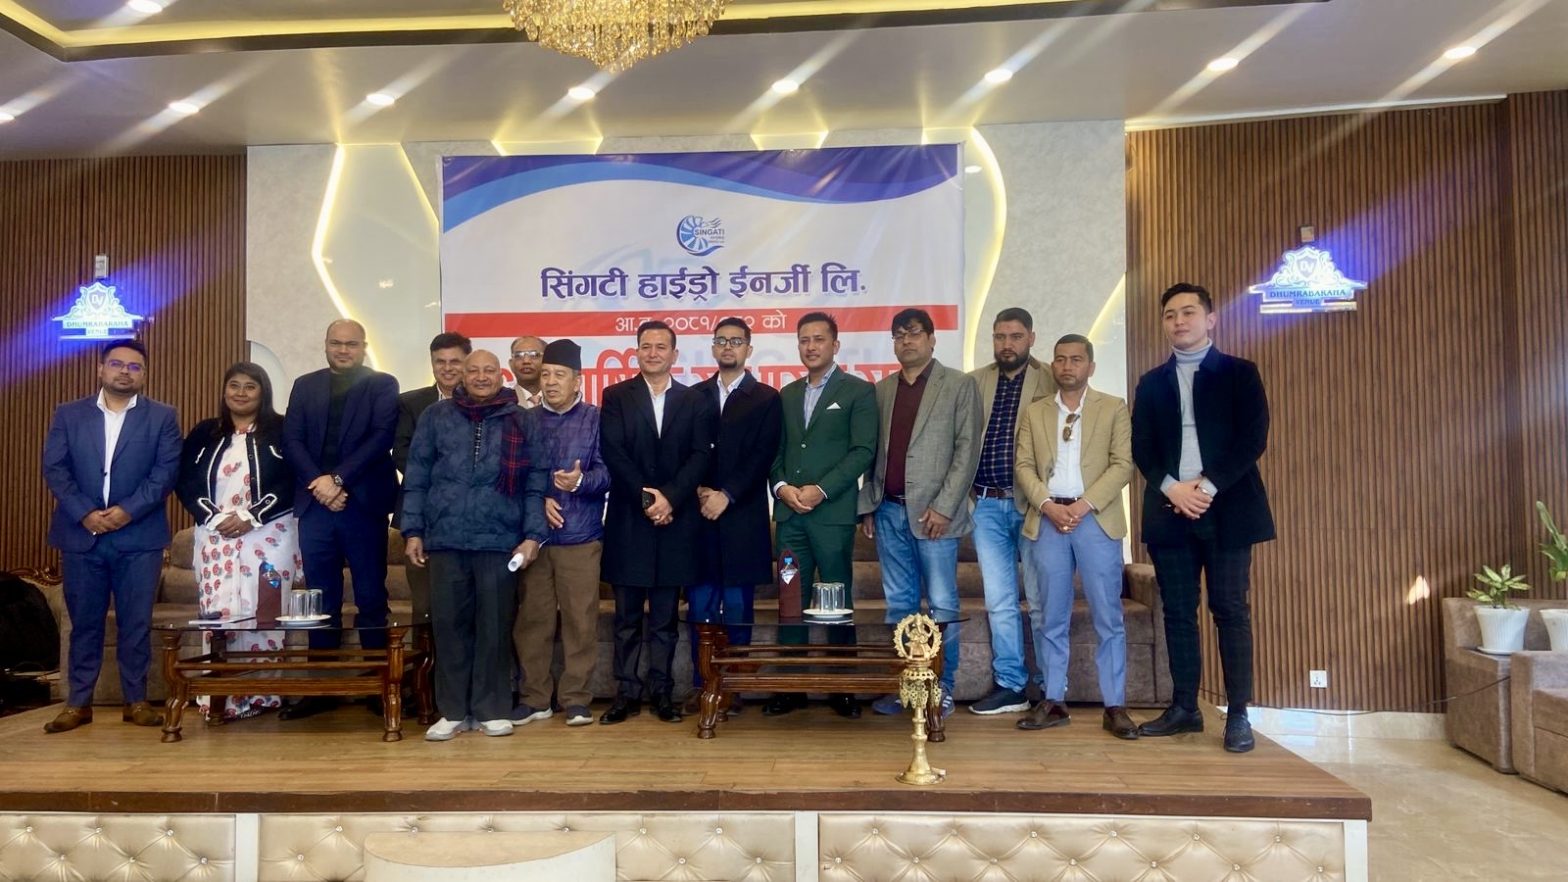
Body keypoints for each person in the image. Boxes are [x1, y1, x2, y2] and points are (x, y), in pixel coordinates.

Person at [1131, 283, 1275, 753]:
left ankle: (1239, 715)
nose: (1179, 321)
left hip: (1228, 507)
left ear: (1210, 319)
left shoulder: (1240, 373)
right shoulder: (1152, 383)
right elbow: (1143, 447)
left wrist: (1207, 487)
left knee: (1230, 610)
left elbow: (1253, 439)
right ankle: (1184, 709)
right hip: (1170, 509)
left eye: (1188, 312)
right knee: (1177, 612)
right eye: (1170, 314)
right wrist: (1173, 488)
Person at [401, 350, 547, 741]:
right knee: (449, 626)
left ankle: (491, 709)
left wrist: (533, 536)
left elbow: (537, 482)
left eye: (489, 370)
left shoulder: (522, 419)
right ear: (461, 376)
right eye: (473, 370)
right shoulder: (436, 416)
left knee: (495, 628)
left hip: (500, 539)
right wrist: (413, 530)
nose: (481, 377)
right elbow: (417, 476)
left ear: (501, 375)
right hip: (445, 538)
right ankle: (452, 711)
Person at [41, 339, 180, 733]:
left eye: (134, 367)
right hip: (82, 535)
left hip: (139, 536)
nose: (124, 372)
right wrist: (85, 512)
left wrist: (126, 511)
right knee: (84, 623)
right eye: (117, 364)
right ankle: (78, 704)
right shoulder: (68, 414)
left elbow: (164, 474)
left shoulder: (163, 417)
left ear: (144, 375)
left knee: (136, 624)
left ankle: (136, 701)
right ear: (100, 369)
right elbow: (55, 468)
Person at [860, 308, 981, 718]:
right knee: (900, 606)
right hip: (888, 512)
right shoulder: (882, 390)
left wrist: (945, 507)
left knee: (942, 605)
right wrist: (869, 504)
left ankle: (942, 687)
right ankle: (909, 686)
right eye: (899, 335)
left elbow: (967, 450)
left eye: (913, 333)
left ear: (932, 339)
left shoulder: (959, 385)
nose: (906, 341)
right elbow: (873, 453)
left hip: (935, 517)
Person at [1014, 335, 1137, 739]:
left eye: (1076, 360)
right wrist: (1049, 505)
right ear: (1052, 365)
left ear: (1090, 367)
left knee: (1108, 617)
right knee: (1051, 615)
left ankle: (1115, 706)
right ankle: (1053, 701)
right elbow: (1023, 465)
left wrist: (1082, 506)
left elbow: (1123, 465)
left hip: (1095, 520)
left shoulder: (1113, 407)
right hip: (1049, 519)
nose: (1068, 366)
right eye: (1061, 359)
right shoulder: (1035, 412)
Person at [280, 318, 399, 720]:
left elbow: (381, 438)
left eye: (351, 344)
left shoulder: (382, 384)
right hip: (316, 505)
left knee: (371, 597)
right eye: (336, 343)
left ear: (364, 347)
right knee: (320, 599)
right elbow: (291, 440)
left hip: (362, 504)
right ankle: (322, 687)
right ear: (326, 344)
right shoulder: (305, 385)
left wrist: (337, 480)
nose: (343, 350)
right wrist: (319, 484)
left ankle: (379, 686)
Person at [598, 320, 714, 724]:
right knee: (626, 619)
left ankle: (662, 693)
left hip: (675, 522)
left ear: (674, 355)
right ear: (636, 352)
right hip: (630, 519)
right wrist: (649, 499)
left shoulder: (695, 400)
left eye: (660, 347)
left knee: (665, 620)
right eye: (645, 346)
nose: (652, 353)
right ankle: (626, 693)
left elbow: (700, 456)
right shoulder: (616, 396)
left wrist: (670, 498)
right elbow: (613, 452)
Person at [765, 312, 877, 719]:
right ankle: (790, 687)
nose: (810, 346)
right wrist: (782, 488)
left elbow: (862, 451)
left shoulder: (858, 391)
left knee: (836, 600)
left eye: (818, 339)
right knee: (789, 600)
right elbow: (774, 452)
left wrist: (822, 489)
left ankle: (842, 687)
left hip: (831, 516)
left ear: (835, 345)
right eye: (804, 340)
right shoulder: (787, 394)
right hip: (790, 516)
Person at [176, 362, 298, 722]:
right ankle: (219, 698)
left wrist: (252, 515)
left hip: (270, 534)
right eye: (234, 385)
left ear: (263, 392)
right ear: (224, 390)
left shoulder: (283, 430)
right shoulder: (205, 432)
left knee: (265, 613)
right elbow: (185, 479)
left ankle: (262, 696)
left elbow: (295, 478)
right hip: (216, 535)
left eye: (250, 386)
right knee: (220, 614)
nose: (241, 393)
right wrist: (213, 516)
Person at [685, 317, 783, 715]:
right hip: (700, 516)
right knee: (701, 607)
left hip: (742, 516)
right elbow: (684, 452)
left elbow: (763, 455)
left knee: (739, 609)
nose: (728, 347)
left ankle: (736, 686)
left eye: (736, 341)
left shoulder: (766, 398)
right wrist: (698, 490)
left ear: (748, 349)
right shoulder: (694, 396)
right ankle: (704, 685)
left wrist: (726, 494)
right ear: (713, 348)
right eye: (722, 341)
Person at [512, 339, 610, 728]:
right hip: (535, 540)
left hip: (581, 537)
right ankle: (534, 698)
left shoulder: (596, 419)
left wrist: (579, 482)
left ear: (578, 381)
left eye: (560, 375)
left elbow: (609, 473)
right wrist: (538, 501)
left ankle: (576, 699)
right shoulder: (524, 420)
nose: (551, 382)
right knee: (533, 621)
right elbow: (512, 477)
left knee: (580, 622)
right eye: (546, 374)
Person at [967, 307, 1055, 716]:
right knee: (999, 601)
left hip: (1034, 505)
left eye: (1016, 336)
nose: (1007, 344)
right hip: (986, 504)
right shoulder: (975, 382)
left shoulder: (1050, 379)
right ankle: (1011, 685)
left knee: (1039, 600)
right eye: (1000, 336)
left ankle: (1050, 687)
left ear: (1031, 338)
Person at [394, 332, 472, 623]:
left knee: (466, 606)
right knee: (425, 606)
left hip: (471, 517)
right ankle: (425, 656)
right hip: (422, 517)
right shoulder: (411, 403)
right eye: (440, 362)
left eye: (455, 361)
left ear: (467, 362)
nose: (447, 368)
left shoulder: (483, 403)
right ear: (432, 363)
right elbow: (401, 452)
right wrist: (444, 483)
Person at [508, 335, 547, 409]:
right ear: (511, 364)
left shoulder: (563, 400)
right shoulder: (503, 403)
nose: (526, 361)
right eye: (518, 355)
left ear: (547, 361)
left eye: (534, 355)